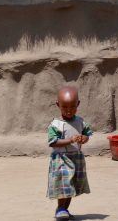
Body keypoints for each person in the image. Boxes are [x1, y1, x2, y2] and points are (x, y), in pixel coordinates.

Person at [47, 86, 93, 220]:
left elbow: (87, 134)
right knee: (64, 184)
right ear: (58, 105)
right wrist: (69, 140)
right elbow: (53, 142)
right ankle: (60, 208)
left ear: (78, 104)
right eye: (64, 107)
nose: (69, 110)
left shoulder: (80, 121)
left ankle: (64, 209)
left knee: (72, 185)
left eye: (72, 107)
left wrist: (84, 139)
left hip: (76, 158)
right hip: (61, 159)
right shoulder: (55, 125)